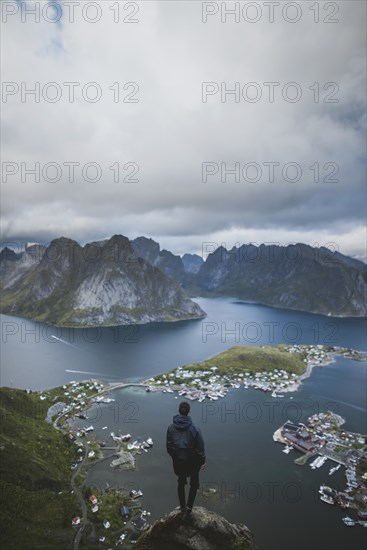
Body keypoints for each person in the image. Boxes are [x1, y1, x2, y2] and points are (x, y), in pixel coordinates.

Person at [166, 401, 206, 520]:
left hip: (178, 461)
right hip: (193, 461)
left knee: (181, 482)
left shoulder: (171, 428)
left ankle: (182, 507)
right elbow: (200, 447)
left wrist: (175, 456)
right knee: (194, 483)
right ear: (189, 411)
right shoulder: (195, 428)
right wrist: (202, 461)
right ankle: (188, 509)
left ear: (178, 410)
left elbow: (169, 446)